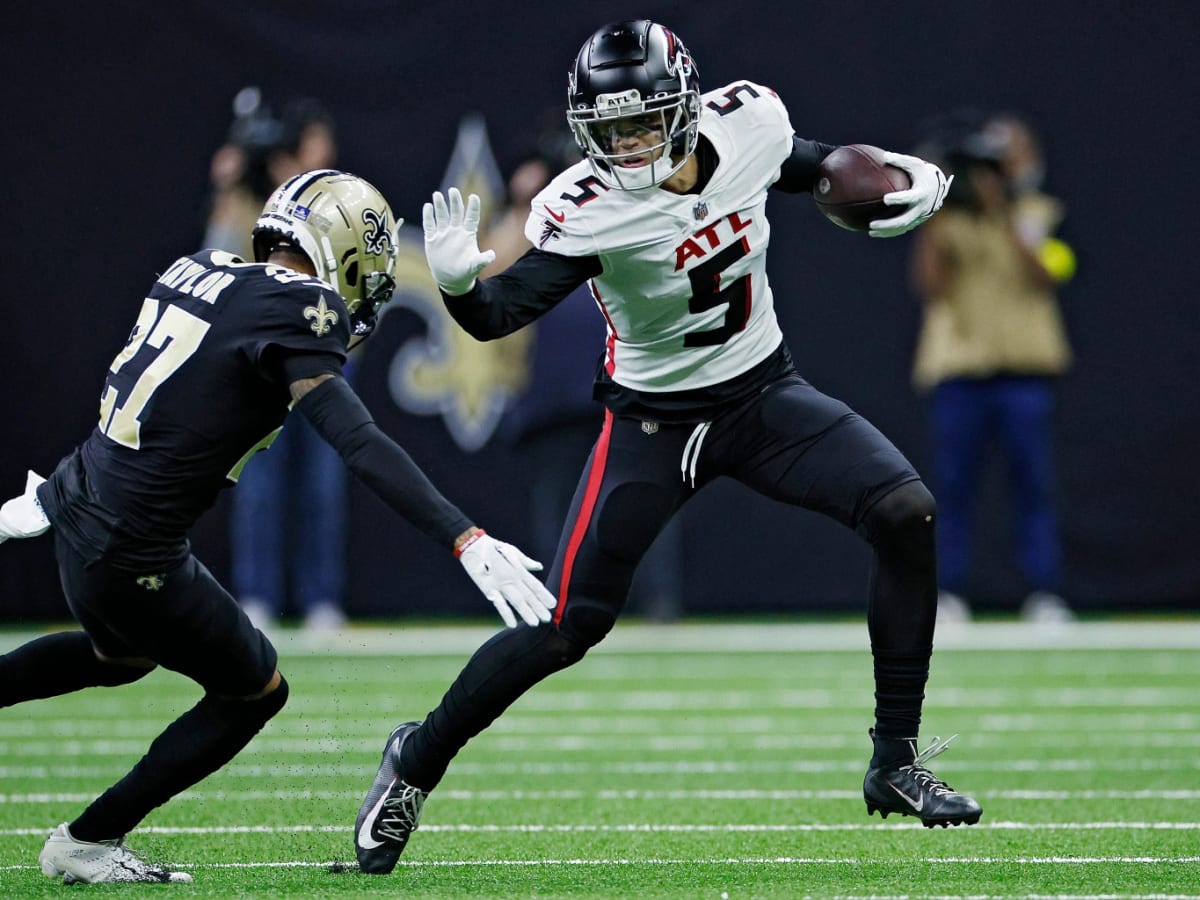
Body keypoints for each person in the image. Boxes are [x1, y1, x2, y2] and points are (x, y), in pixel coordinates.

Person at [354, 20, 980, 875]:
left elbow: (817, 168)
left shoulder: (748, 123)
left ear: (685, 107)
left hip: (763, 394)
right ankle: (414, 760)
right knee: (566, 626)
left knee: (905, 511)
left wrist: (901, 178)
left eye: (645, 122)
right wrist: (463, 284)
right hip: (650, 423)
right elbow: (500, 315)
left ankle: (895, 762)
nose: (632, 143)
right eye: (611, 131)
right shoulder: (587, 206)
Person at [0, 170, 555, 884]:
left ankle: (85, 830)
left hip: (78, 498)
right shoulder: (305, 307)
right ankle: (86, 840)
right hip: (129, 542)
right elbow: (356, 440)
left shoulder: (197, 267)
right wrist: (463, 535)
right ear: (345, 254)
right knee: (253, 689)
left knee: (124, 655)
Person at [910, 113, 1075, 624]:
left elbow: (1046, 273)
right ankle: (949, 593)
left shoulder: (1036, 212)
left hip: (1023, 372)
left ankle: (1044, 592)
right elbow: (931, 286)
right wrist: (934, 207)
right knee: (951, 489)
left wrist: (1002, 212)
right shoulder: (951, 222)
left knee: (1034, 486)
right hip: (961, 372)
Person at [205, 92, 352, 632]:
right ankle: (258, 594)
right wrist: (232, 185)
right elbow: (217, 258)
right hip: (259, 362)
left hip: (319, 351)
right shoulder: (249, 201)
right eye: (315, 143)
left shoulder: (335, 200)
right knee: (259, 482)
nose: (325, 152)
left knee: (323, 481)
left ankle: (321, 598)